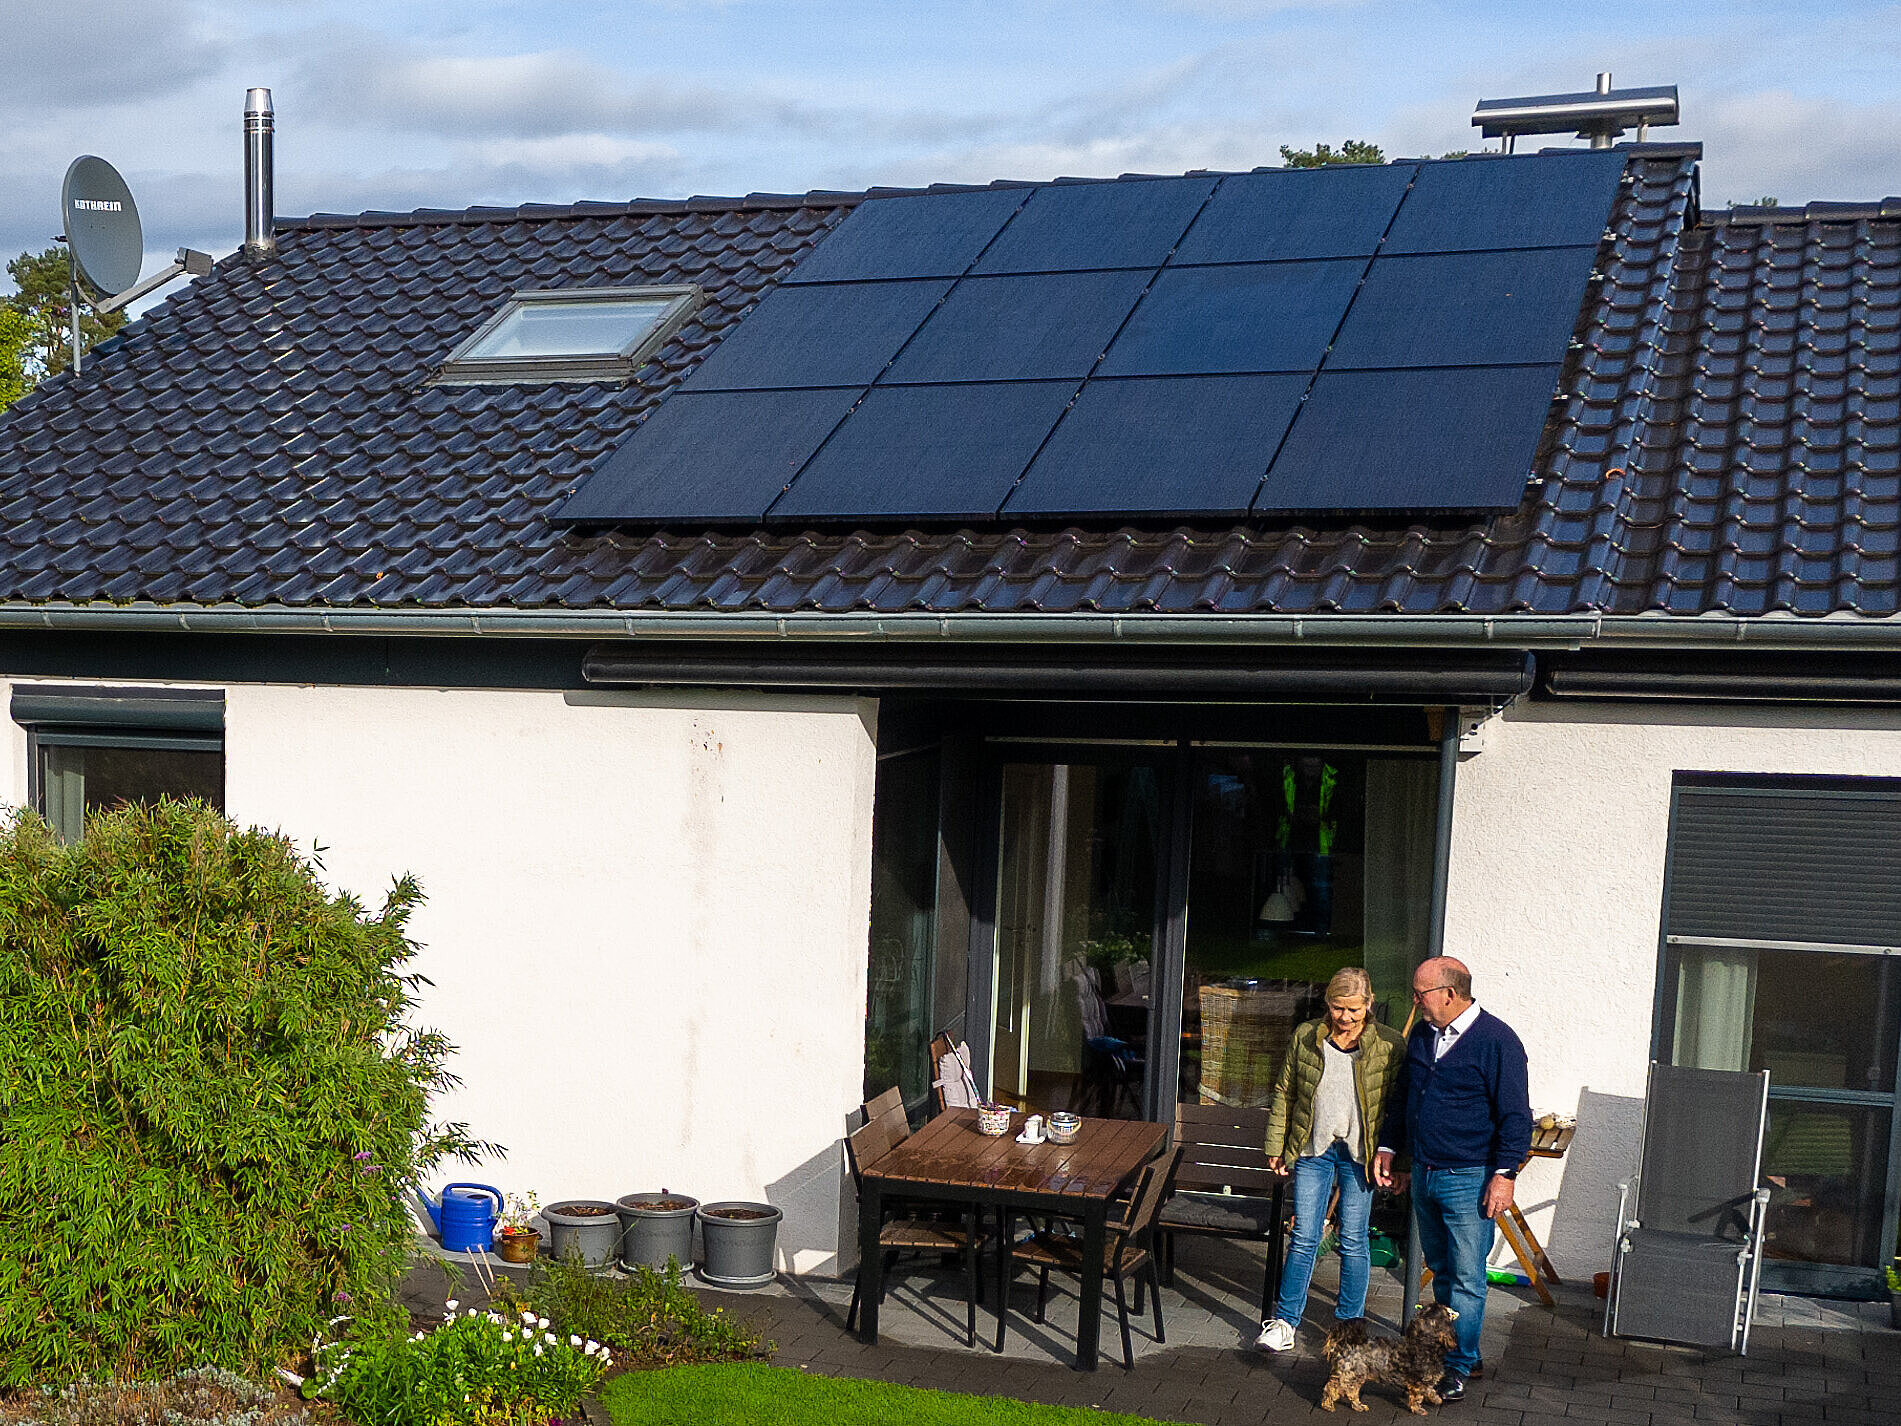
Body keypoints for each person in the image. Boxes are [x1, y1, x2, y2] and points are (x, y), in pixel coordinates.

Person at [1373, 956, 1531, 1403]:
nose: (1415, 1001)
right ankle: (1463, 1352)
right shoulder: (1425, 1034)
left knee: (1466, 1277)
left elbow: (1517, 1116)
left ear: (1449, 994)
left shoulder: (1497, 1042)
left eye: (1420, 993)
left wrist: (1505, 1175)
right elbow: (1406, 1096)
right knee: (1442, 1270)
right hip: (1425, 1171)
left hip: (1469, 1176)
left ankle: (1457, 1368)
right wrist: (1392, 1149)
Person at [1254, 967, 1405, 1353]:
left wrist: (1397, 1159)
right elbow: (1285, 1092)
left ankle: (1348, 1330)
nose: (1347, 1017)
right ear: (1328, 1004)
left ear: (1369, 1004)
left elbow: (1399, 1108)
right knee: (1305, 1236)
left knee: (1353, 1240)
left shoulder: (1389, 1045)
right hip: (1313, 1150)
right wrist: (1276, 1144)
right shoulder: (1306, 1037)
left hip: (1360, 1155)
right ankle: (1285, 1323)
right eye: (1339, 1008)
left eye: (1355, 1009)